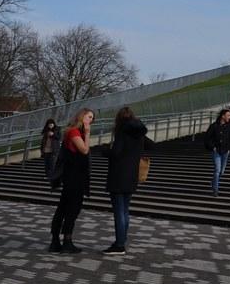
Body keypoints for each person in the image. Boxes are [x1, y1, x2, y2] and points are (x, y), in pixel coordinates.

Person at [99, 106, 154, 255]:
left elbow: (116, 153)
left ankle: (119, 245)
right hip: (132, 176)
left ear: (119, 118)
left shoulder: (122, 131)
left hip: (118, 176)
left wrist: (105, 150)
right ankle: (122, 241)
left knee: (119, 211)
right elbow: (151, 145)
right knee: (125, 210)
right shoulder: (139, 132)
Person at [50, 108, 94, 252]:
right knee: (71, 208)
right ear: (81, 117)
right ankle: (65, 241)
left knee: (64, 207)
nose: (91, 121)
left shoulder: (74, 131)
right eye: (89, 117)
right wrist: (87, 134)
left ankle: (57, 240)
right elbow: (84, 150)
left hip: (74, 175)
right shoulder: (74, 132)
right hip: (74, 176)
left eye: (92, 118)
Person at [204, 109, 230, 197]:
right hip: (216, 151)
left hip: (225, 151)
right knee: (217, 170)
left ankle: (214, 181)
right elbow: (207, 138)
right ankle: (215, 189)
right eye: (228, 115)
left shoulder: (229, 126)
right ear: (223, 116)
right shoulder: (214, 126)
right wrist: (212, 147)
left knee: (222, 171)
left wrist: (229, 148)